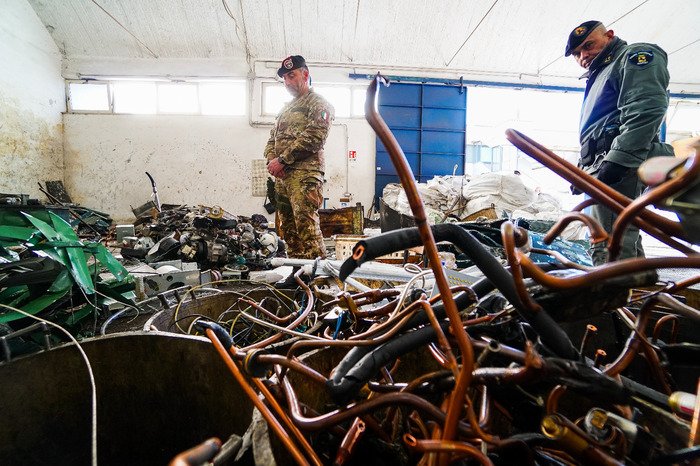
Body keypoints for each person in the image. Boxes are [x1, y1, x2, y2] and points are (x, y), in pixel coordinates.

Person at [565, 20, 674, 265]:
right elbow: (601, 129)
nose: (584, 55)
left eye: (589, 45)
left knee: (610, 244)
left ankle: (613, 300)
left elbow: (645, 109)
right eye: (577, 53)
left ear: (610, 36)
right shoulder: (602, 73)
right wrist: (584, 171)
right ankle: (635, 297)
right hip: (607, 164)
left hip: (623, 164)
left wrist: (618, 161)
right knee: (622, 239)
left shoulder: (633, 57)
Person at [264, 55, 335, 259]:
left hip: (304, 176)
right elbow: (272, 139)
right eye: (285, 78)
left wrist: (282, 160)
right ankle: (297, 275)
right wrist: (272, 161)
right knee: (288, 229)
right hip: (283, 177)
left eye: (292, 76)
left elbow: (315, 137)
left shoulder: (319, 104)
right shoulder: (285, 109)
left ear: (305, 74)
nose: (287, 82)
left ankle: (317, 278)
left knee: (307, 227)